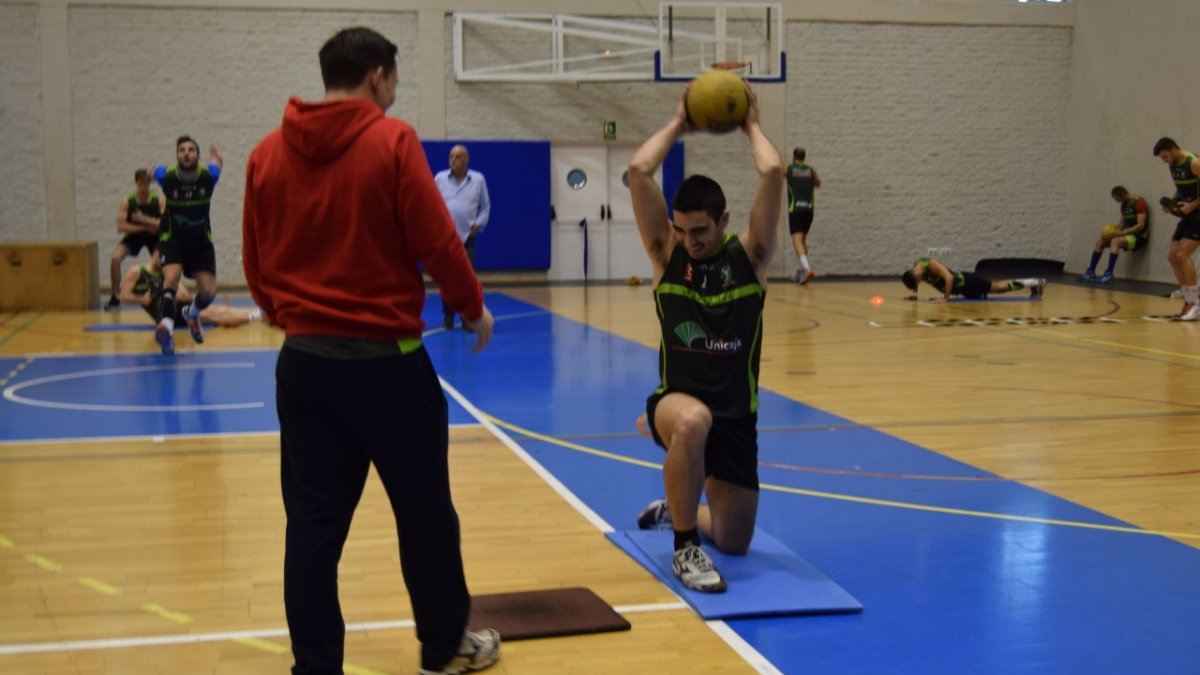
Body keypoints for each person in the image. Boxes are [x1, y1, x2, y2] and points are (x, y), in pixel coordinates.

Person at [241, 27, 499, 675]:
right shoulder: (392, 139)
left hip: (304, 367)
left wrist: (287, 317)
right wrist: (471, 305)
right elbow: (438, 238)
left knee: (312, 528)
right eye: (395, 79)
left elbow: (254, 254)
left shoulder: (266, 153)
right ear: (379, 75)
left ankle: (316, 666)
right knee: (425, 517)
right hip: (387, 365)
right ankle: (444, 649)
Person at [627, 80, 783, 593]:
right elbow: (638, 171)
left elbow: (773, 171)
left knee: (737, 540)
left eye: (701, 232)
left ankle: (679, 512)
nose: (689, 241)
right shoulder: (666, 256)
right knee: (692, 419)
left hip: (737, 417)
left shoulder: (751, 258)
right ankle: (685, 549)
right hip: (678, 405)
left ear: (724, 222)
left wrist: (751, 125)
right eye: (682, 230)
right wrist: (678, 121)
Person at [148, 136, 224, 355]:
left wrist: (218, 158)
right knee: (171, 279)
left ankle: (192, 314)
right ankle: (167, 329)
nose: (186, 153)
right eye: (182, 150)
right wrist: (150, 175)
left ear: (198, 156)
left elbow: (217, 166)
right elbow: (153, 174)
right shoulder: (168, 176)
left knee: (208, 293)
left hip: (200, 241)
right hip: (173, 238)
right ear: (177, 155)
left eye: (191, 150)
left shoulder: (208, 176)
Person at [119, 252, 263, 330]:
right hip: (166, 315)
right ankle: (257, 316)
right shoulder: (137, 271)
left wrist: (178, 292)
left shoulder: (167, 273)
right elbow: (124, 295)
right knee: (217, 315)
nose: (164, 262)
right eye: (162, 257)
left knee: (220, 310)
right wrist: (141, 300)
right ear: (155, 254)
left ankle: (258, 314)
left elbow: (187, 297)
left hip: (182, 308)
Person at [434, 144, 491, 331]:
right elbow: (432, 203)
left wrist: (479, 224)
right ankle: (448, 316)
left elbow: (486, 206)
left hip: (468, 237)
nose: (453, 160)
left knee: (467, 279)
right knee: (446, 279)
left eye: (458, 157)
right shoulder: (440, 178)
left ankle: (468, 318)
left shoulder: (478, 179)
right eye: (451, 156)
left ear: (467, 160)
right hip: (446, 237)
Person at [1152, 137, 1200, 320]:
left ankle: (1197, 303)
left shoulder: (1194, 163)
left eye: (1165, 156)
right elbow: (1180, 189)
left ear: (1172, 149)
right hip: (1188, 214)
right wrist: (1172, 204)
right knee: (1172, 256)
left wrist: (1192, 205)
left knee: (1182, 255)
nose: (1164, 161)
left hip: (1199, 214)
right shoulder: (1173, 166)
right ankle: (1188, 301)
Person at [105, 169, 166, 310]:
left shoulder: (158, 199)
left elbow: (165, 224)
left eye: (146, 184)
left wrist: (142, 219)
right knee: (115, 258)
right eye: (140, 184)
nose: (143, 187)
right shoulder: (128, 200)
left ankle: (165, 296)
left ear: (150, 183)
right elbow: (121, 226)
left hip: (155, 237)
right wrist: (146, 227)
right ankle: (115, 296)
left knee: (163, 262)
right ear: (136, 183)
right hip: (135, 236)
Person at [1079, 186, 1149, 283]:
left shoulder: (1139, 203)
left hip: (1138, 237)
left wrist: (1123, 232)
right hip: (1128, 235)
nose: (1117, 201)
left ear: (1122, 194)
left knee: (1115, 241)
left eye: (1117, 199)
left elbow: (1141, 225)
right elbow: (1121, 224)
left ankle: (1109, 274)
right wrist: (1112, 231)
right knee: (1100, 242)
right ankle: (1091, 272)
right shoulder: (1124, 205)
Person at [901, 257, 1045, 301]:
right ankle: (1034, 283)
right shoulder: (917, 268)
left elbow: (949, 278)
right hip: (963, 290)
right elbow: (914, 283)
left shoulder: (932, 265)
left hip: (968, 283)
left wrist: (945, 299)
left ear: (917, 275)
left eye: (918, 281)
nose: (920, 283)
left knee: (999, 288)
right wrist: (914, 294)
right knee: (996, 290)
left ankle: (1036, 281)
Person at [786, 147, 821, 284]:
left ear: (794, 157)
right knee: (803, 240)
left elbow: (776, 172)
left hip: (796, 208)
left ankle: (807, 269)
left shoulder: (789, 169)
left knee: (796, 240)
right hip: (809, 209)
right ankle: (802, 272)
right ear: (804, 157)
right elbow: (818, 184)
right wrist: (813, 175)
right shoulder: (811, 170)